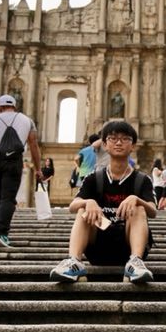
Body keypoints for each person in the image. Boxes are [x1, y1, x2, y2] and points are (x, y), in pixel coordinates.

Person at [49, 121, 156, 284]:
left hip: (128, 243)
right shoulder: (94, 178)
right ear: (104, 145)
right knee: (82, 210)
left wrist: (136, 199)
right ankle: (74, 261)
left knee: (139, 208)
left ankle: (135, 262)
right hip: (98, 243)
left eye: (125, 139)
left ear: (133, 146)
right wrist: (89, 202)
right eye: (113, 138)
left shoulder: (142, 180)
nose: (119, 142)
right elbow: (72, 206)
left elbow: (153, 211)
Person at [0, 94, 43, 247]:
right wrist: (38, 168)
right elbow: (33, 145)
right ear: (15, 106)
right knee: (8, 197)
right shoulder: (27, 120)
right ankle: (0, 232)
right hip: (13, 159)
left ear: (0, 107)